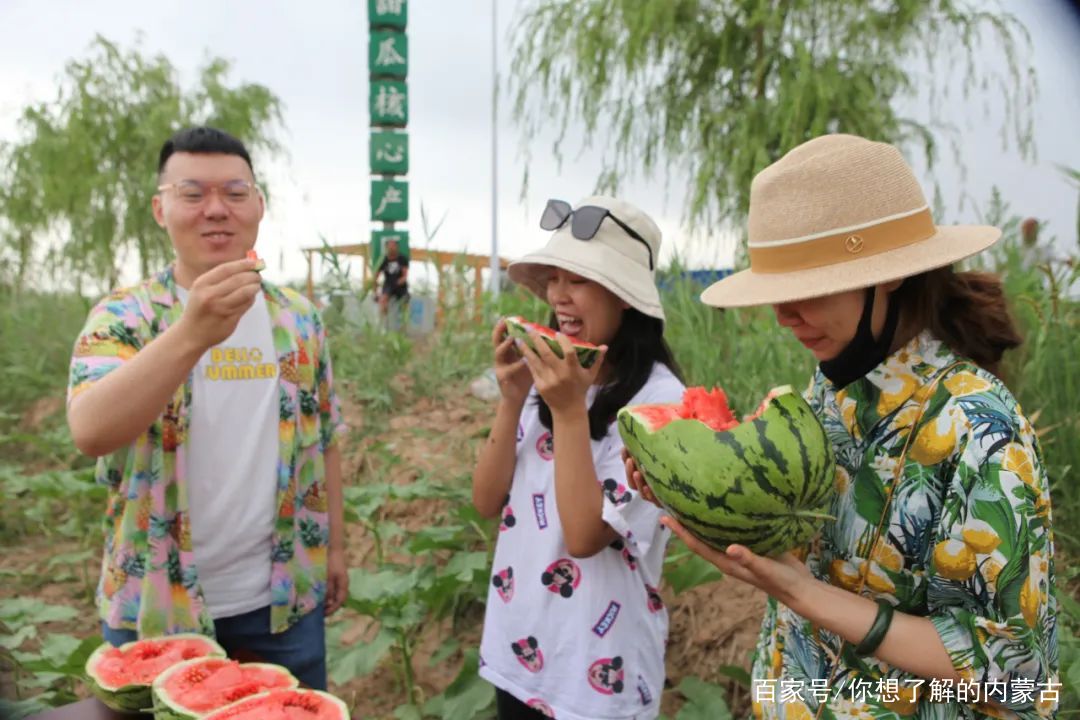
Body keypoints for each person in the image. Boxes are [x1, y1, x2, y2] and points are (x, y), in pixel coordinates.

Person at [627, 134, 1058, 718]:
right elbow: (802, 557)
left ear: (888, 275)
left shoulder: (980, 430)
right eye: (778, 291)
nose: (782, 316)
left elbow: (1018, 676)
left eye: (807, 288)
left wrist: (804, 594)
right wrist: (693, 491)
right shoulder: (826, 396)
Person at [66, 126, 348, 689]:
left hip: (282, 596)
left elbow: (325, 439)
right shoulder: (125, 317)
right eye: (192, 194)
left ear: (259, 205)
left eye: (235, 193)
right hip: (155, 602)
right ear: (160, 208)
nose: (216, 210)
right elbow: (91, 430)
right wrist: (192, 332)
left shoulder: (299, 319)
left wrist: (335, 547)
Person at [472, 196, 686, 720]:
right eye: (553, 278)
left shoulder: (664, 407)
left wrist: (568, 412)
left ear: (626, 297)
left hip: (596, 674)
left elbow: (585, 536)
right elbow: (485, 500)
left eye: (579, 280)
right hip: (516, 653)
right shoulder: (548, 374)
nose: (558, 296)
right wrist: (511, 398)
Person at [374, 237, 409, 327]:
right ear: (386, 247)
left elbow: (405, 276)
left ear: (397, 247)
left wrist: (399, 282)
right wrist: (375, 292)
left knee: (404, 304)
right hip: (388, 284)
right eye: (389, 245)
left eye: (394, 245)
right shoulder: (383, 260)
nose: (392, 247)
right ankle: (383, 325)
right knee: (383, 300)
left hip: (401, 285)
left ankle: (403, 327)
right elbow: (376, 277)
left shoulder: (402, 258)